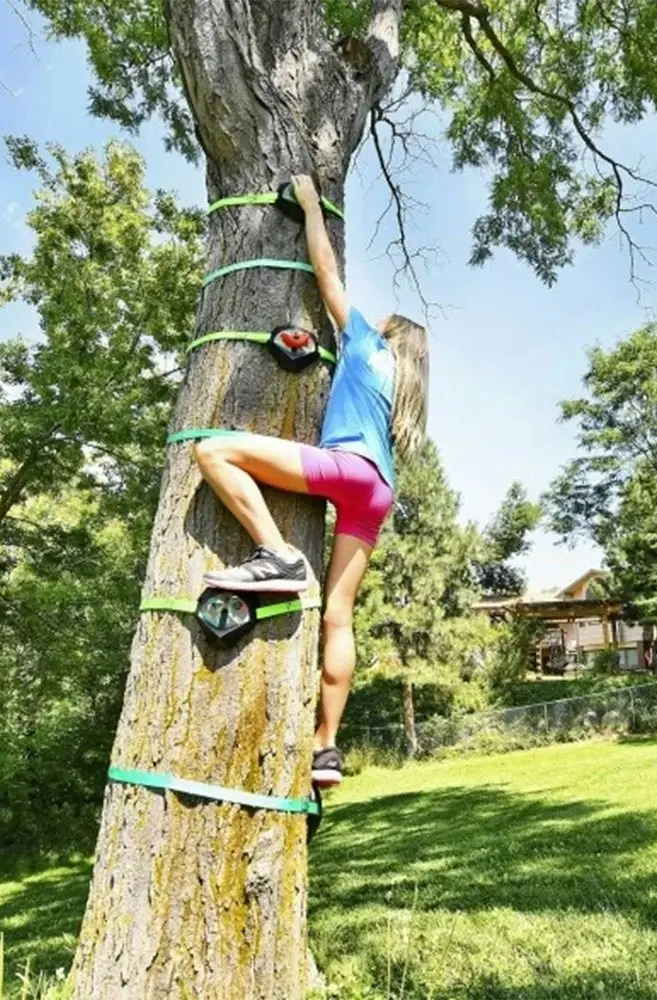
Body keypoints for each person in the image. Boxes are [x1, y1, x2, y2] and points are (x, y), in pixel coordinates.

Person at [194, 174, 429, 787]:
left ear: (391, 334)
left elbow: (326, 273)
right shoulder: (402, 385)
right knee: (339, 620)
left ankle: (277, 556)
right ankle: (327, 748)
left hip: (345, 470)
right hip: (378, 490)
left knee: (213, 450)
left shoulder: (369, 344)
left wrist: (307, 207)